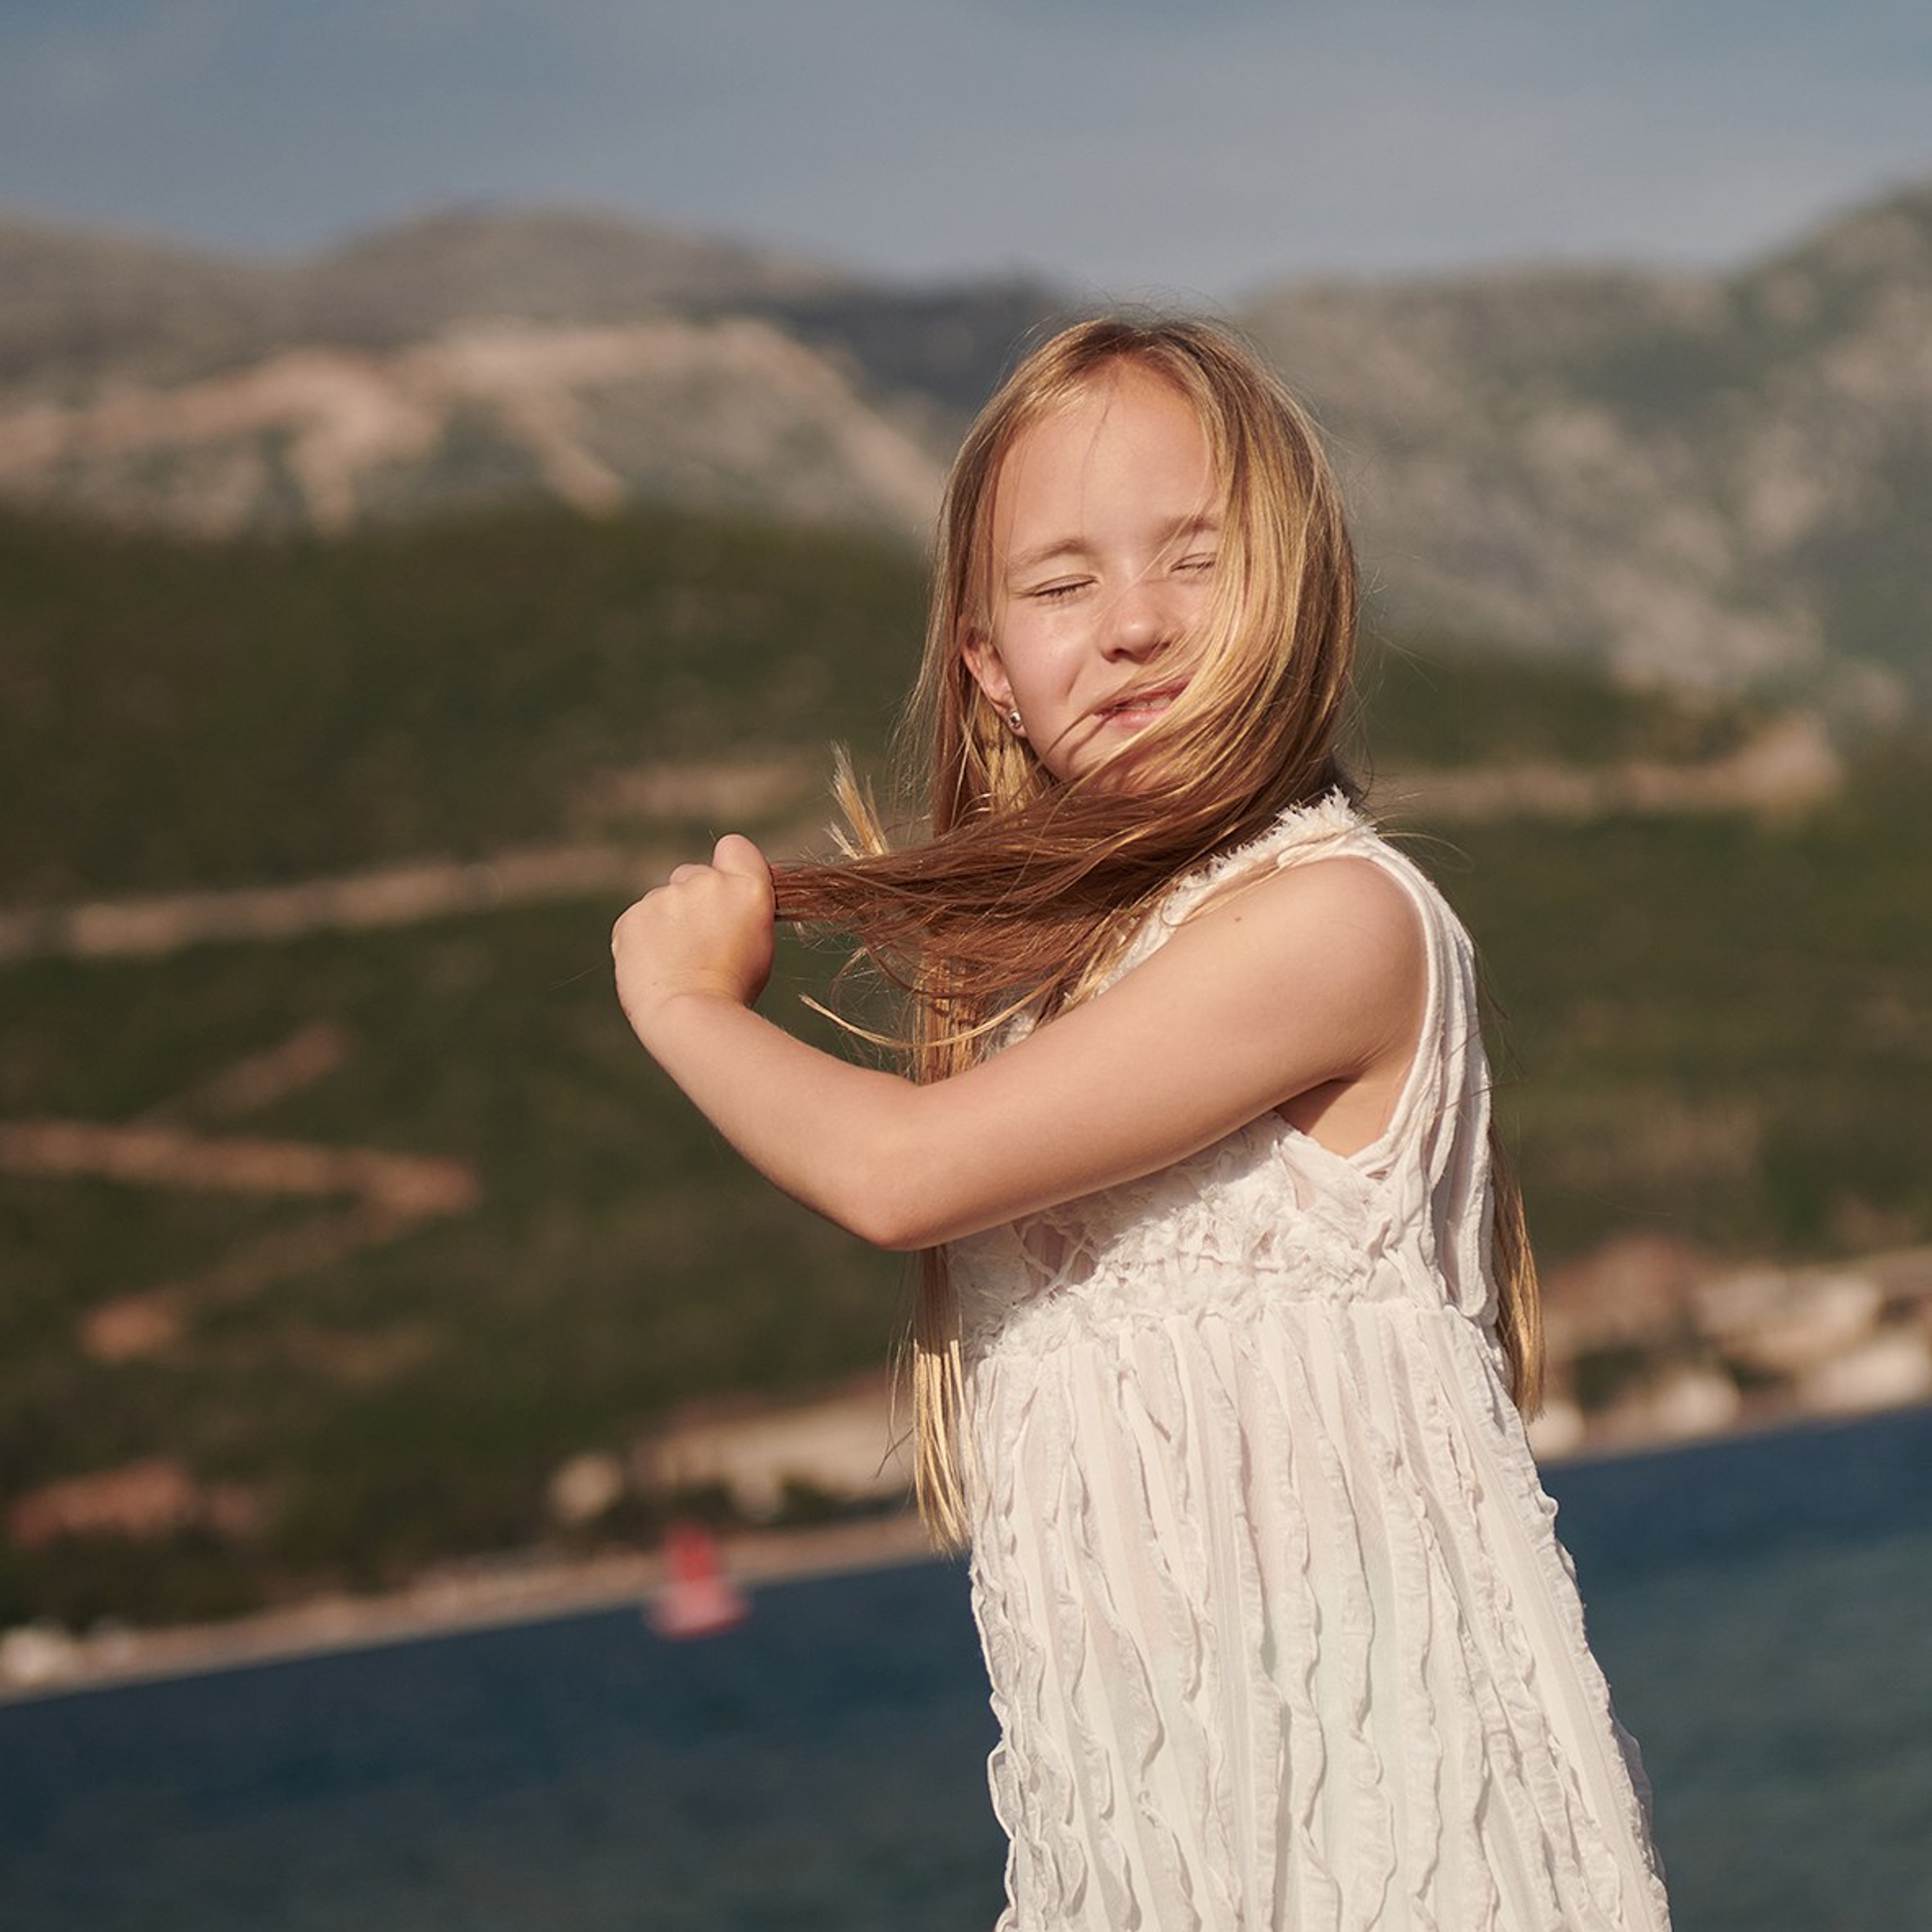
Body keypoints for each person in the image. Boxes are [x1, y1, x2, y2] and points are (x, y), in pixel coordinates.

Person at [612, 318, 1672, 1930]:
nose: (1132, 627)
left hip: (1399, 1839)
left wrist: (688, 1007)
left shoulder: (1333, 919)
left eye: (1194, 558)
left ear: (1298, 585)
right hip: (1161, 1855)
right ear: (987, 667)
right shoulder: (1042, 1008)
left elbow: (901, 1172)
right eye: (1059, 585)